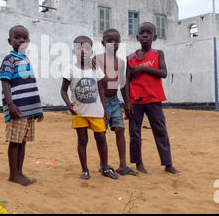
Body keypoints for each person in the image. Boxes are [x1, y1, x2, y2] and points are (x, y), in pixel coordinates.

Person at [60, 35, 119, 180]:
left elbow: (101, 89)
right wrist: (69, 105)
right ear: (74, 51)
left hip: (96, 111)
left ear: (91, 50)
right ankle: (85, 170)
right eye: (79, 48)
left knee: (101, 137)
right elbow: (63, 90)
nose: (83, 51)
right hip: (79, 112)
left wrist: (105, 109)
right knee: (82, 140)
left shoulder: (95, 69)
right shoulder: (70, 69)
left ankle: (104, 167)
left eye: (86, 48)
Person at [125, 22, 179, 174]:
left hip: (154, 99)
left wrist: (143, 68)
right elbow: (126, 81)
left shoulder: (158, 54)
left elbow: (163, 73)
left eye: (149, 33)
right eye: (142, 32)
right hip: (136, 101)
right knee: (134, 132)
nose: (145, 35)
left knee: (160, 130)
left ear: (154, 37)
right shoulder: (130, 58)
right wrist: (127, 102)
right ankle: (138, 163)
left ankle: (168, 164)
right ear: (137, 37)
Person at [0, 25, 44, 186]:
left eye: (25, 37)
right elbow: (5, 82)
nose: (21, 40)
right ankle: (13, 174)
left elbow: (31, 86)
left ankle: (19, 172)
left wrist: (38, 110)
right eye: (17, 37)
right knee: (15, 142)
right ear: (10, 41)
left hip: (28, 109)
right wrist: (10, 105)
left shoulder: (25, 59)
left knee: (23, 142)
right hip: (17, 108)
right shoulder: (9, 59)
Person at [94, 28, 137, 176]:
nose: (113, 43)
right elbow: (95, 81)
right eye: (109, 41)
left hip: (114, 101)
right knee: (101, 133)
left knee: (120, 130)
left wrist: (127, 102)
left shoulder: (121, 62)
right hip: (100, 102)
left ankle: (122, 165)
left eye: (116, 41)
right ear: (103, 43)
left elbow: (123, 84)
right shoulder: (97, 59)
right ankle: (103, 164)